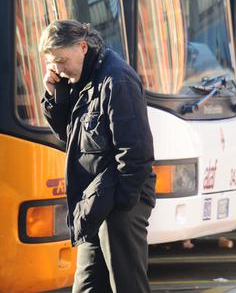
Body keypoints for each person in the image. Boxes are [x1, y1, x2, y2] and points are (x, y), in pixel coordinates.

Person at [40, 20, 156, 292]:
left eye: (61, 60)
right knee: (87, 285)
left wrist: (122, 205)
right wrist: (55, 94)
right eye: (51, 62)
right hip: (94, 201)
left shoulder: (116, 79)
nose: (58, 68)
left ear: (82, 47)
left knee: (126, 284)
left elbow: (136, 152)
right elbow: (69, 135)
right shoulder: (82, 78)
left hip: (118, 201)